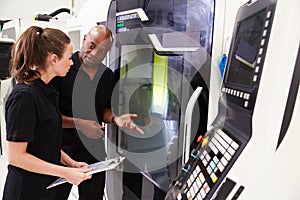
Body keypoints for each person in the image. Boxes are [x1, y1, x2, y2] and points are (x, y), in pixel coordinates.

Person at [50, 25, 143, 200]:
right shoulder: (63, 70)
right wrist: (80, 124)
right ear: (84, 38)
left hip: (94, 152)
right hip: (62, 151)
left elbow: (104, 110)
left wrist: (116, 119)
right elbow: (49, 117)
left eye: (101, 52)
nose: (93, 54)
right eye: (92, 46)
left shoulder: (107, 76)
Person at [2, 26, 93, 200]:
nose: (72, 62)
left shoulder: (45, 92)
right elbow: (16, 157)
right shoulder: (24, 97)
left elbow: (45, 144)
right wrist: (65, 172)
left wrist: (71, 164)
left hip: (45, 188)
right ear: (53, 59)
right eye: (68, 57)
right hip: (26, 191)